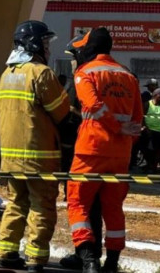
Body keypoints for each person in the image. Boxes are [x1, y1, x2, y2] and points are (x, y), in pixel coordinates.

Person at [0, 21, 71, 272]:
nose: (47, 49)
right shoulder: (41, 73)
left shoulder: (6, 74)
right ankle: (36, 259)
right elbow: (61, 114)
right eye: (45, 43)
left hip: (11, 158)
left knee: (16, 203)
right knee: (42, 206)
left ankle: (6, 252)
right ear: (34, 44)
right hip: (39, 156)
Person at [66, 27, 143, 273]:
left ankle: (88, 259)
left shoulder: (84, 72)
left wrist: (116, 127)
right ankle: (112, 262)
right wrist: (124, 140)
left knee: (78, 203)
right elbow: (138, 117)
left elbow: (92, 104)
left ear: (89, 48)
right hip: (120, 154)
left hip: (91, 149)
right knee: (113, 207)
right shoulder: (128, 76)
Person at [57, 33, 103, 272]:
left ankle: (86, 257)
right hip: (105, 151)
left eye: (73, 57)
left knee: (79, 204)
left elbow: (71, 119)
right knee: (95, 205)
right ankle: (94, 255)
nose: (72, 62)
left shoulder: (83, 78)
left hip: (81, 152)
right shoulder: (110, 74)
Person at [143, 88, 160, 173]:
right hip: (149, 131)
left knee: (159, 150)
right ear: (155, 95)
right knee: (149, 149)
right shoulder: (147, 104)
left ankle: (154, 166)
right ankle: (149, 164)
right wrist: (144, 127)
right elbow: (142, 116)